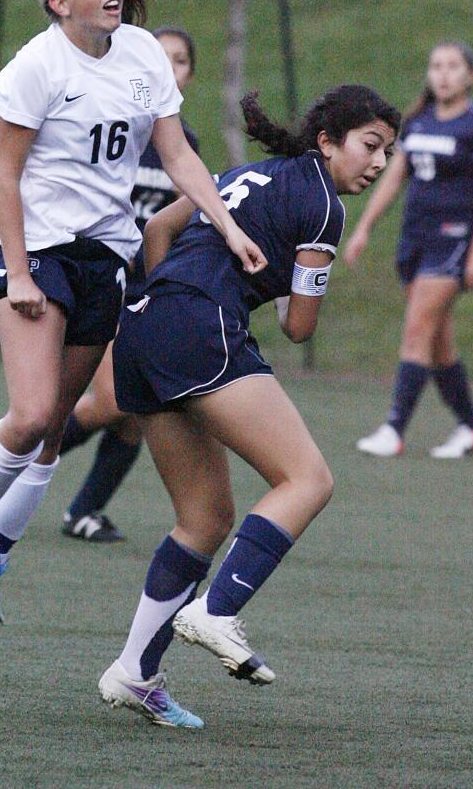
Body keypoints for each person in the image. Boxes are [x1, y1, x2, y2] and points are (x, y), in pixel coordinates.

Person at [0, 0, 266, 645]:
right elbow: (5, 176)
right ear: (59, 0)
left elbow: (176, 154)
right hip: (40, 251)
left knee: (51, 433)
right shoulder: (36, 67)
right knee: (30, 414)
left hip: (104, 259)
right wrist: (17, 272)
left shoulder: (142, 54)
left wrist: (229, 226)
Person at [98, 85, 400, 728]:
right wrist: (264, 292)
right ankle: (216, 611)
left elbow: (159, 227)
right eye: (370, 146)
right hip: (200, 325)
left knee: (204, 519)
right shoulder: (323, 206)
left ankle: (134, 671)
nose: (377, 163)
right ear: (328, 141)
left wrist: (170, 298)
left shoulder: (245, 171)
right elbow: (297, 328)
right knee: (308, 479)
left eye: (387, 152)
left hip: (143, 324)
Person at [59, 26, 199, 543]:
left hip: (146, 289)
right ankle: (16, 466)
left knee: (133, 410)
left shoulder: (182, 143)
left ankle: (85, 510)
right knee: (110, 402)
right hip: (99, 276)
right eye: (159, 55)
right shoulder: (108, 123)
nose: (168, 65)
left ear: (188, 75)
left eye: (180, 60)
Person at [346, 41, 473, 458]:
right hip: (415, 241)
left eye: (453, 66)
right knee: (438, 344)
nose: (444, 74)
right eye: (437, 65)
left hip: (453, 243)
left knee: (417, 330)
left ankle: (393, 430)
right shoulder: (417, 122)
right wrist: (363, 228)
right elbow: (394, 178)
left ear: (469, 75)